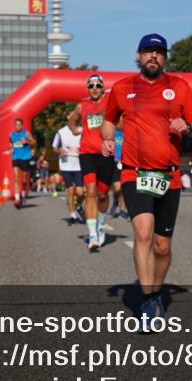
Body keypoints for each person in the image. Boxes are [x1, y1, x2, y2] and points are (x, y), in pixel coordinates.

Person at [101, 33, 192, 324]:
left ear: (165, 57)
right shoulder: (122, 89)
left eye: (159, 52)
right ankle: (147, 301)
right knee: (143, 233)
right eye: (148, 51)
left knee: (162, 246)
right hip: (135, 172)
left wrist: (186, 126)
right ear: (138, 55)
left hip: (169, 177)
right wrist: (108, 139)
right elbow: (109, 120)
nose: (153, 56)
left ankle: (156, 291)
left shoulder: (179, 87)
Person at [77, 74, 114, 250]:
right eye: (91, 86)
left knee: (102, 195)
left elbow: (121, 121)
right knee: (90, 192)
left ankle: (101, 222)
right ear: (87, 88)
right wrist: (75, 128)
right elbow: (71, 119)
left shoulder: (110, 102)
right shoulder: (81, 106)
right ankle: (92, 234)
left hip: (106, 153)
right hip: (86, 153)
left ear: (102, 88)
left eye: (98, 86)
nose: (94, 89)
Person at [53, 111, 84, 223]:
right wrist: (60, 151)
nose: (75, 117)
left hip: (79, 166)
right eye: (72, 114)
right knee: (70, 191)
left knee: (80, 192)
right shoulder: (61, 132)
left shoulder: (82, 130)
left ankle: (79, 205)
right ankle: (72, 215)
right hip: (66, 166)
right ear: (68, 116)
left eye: (77, 115)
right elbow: (54, 148)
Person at [9, 118, 35, 208]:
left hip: (25, 157)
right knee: (16, 178)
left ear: (22, 125)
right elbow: (11, 145)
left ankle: (23, 196)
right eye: (16, 124)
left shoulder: (26, 133)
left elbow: (34, 142)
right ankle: (17, 198)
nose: (17, 126)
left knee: (24, 180)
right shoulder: (11, 135)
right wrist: (11, 149)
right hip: (15, 157)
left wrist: (27, 142)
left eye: (19, 124)